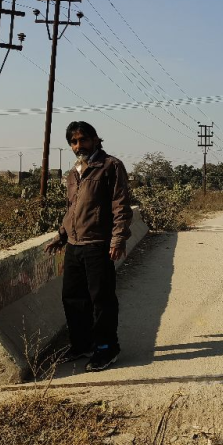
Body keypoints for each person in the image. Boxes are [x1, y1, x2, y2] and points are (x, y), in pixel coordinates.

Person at [45, 121, 132, 372]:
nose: (78, 145)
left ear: (95, 139)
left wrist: (118, 239)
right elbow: (72, 208)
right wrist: (62, 235)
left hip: (98, 244)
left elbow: (121, 206)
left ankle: (107, 348)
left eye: (82, 139)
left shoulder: (110, 166)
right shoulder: (74, 172)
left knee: (101, 299)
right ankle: (81, 344)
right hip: (74, 245)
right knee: (73, 298)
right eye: (73, 142)